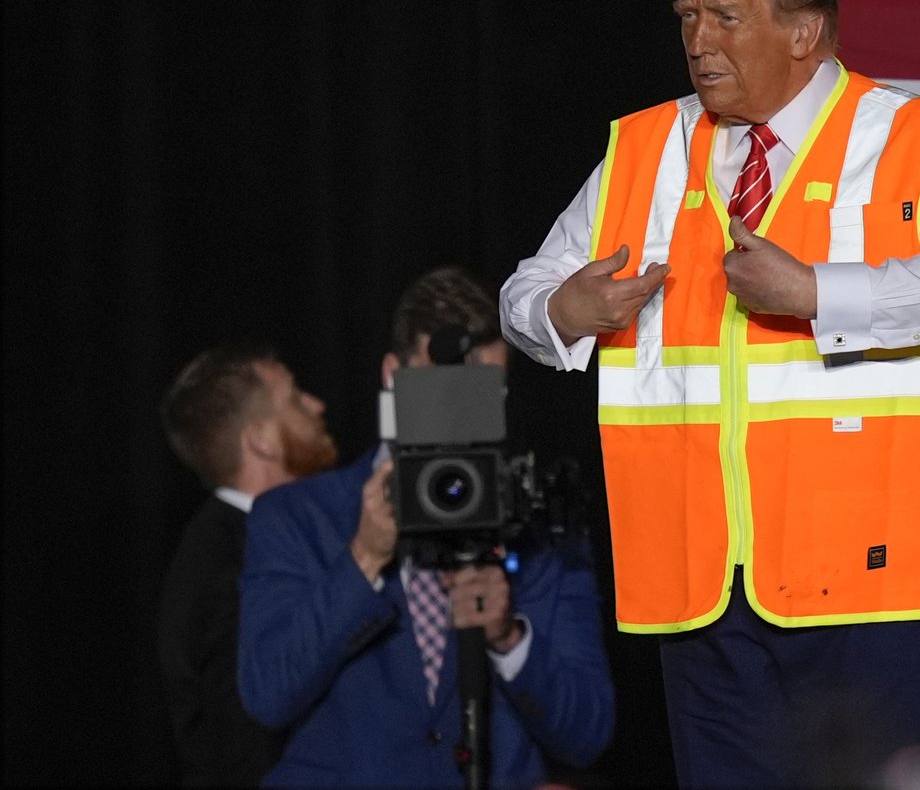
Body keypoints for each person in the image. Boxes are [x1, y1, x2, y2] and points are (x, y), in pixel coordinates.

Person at [500, 0, 920, 789]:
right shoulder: (643, 149)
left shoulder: (911, 141)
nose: (698, 41)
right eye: (687, 17)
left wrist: (821, 292)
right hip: (706, 586)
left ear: (804, 29)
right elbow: (525, 296)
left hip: (881, 582)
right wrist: (568, 305)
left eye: (725, 17)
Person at [237, 266, 614, 790]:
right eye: (446, 390)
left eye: (485, 392)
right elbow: (268, 694)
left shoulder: (538, 526)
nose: (463, 412)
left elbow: (589, 732)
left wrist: (508, 639)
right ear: (394, 375)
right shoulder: (298, 518)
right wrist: (363, 558)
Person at [158, 343, 338, 786]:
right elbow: (245, 747)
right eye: (295, 398)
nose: (318, 405)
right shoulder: (227, 565)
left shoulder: (250, 540)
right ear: (261, 439)